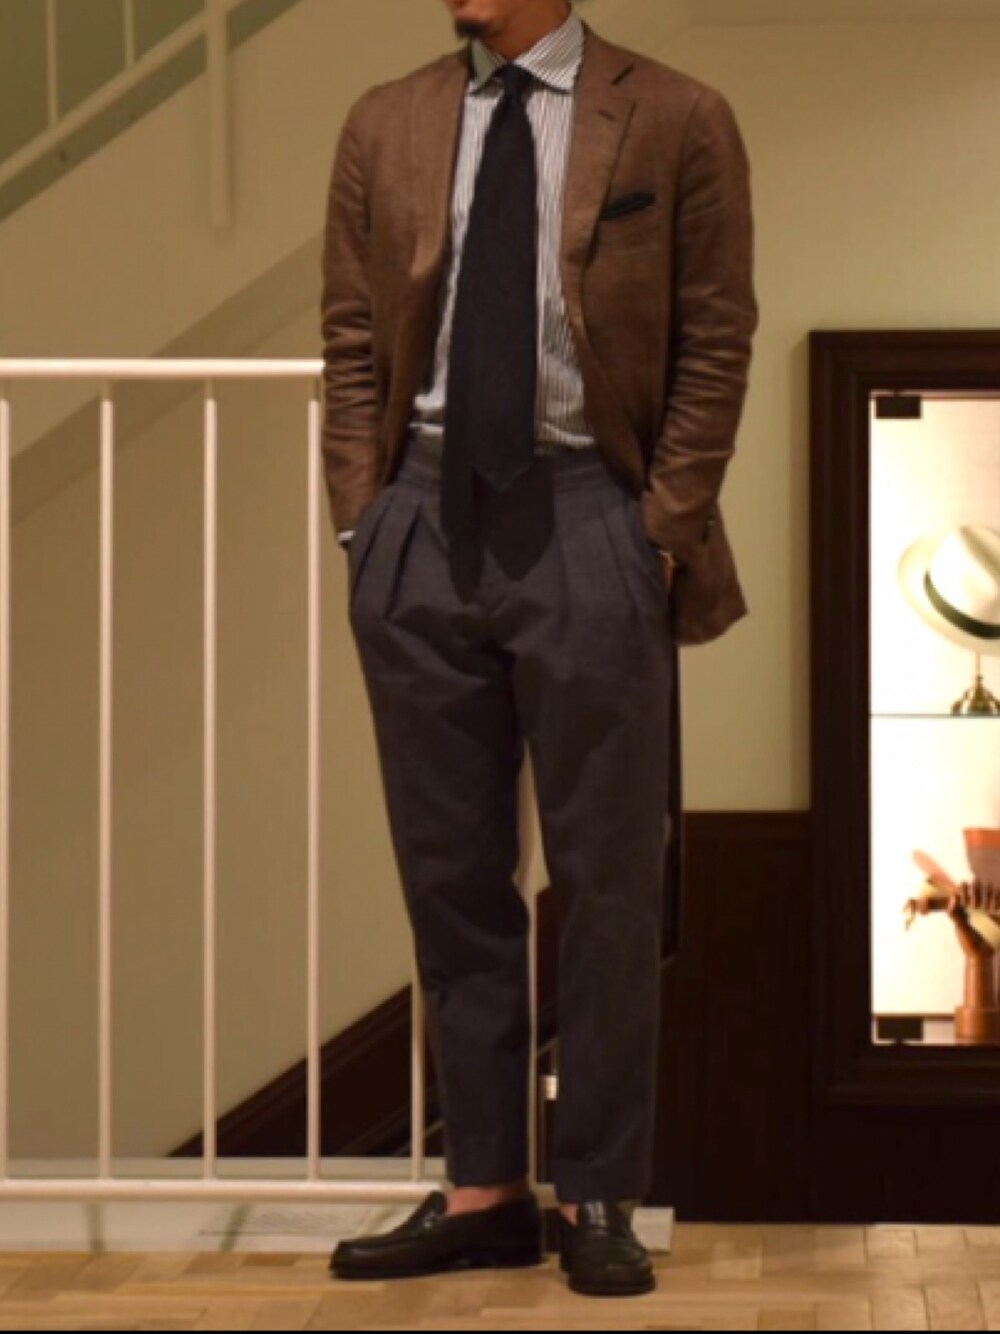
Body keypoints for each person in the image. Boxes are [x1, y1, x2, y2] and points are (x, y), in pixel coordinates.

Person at [319, 0, 757, 1298]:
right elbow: (350, 335)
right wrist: (360, 521)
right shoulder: (386, 120)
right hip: (421, 519)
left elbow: (716, 334)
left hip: (589, 515)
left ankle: (601, 1190)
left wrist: (659, 531)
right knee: (450, 878)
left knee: (609, 881)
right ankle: (485, 1192)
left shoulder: (677, 114)